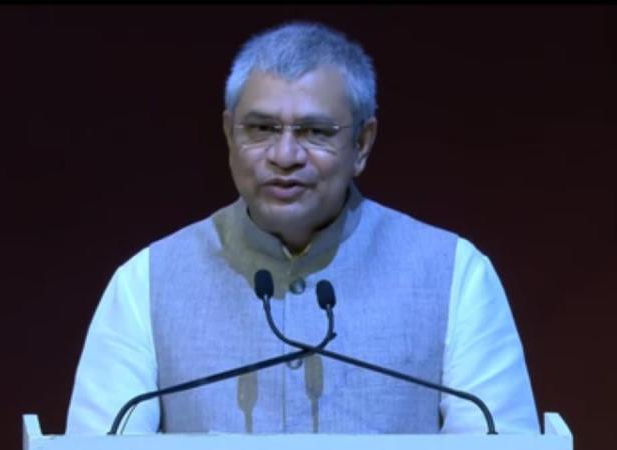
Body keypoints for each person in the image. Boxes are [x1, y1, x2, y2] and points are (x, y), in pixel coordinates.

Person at [66, 21, 539, 435]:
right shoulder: (147, 281)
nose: (285, 156)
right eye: (262, 129)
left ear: (362, 144)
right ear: (229, 134)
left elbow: (500, 437)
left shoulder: (454, 274)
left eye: (315, 132)